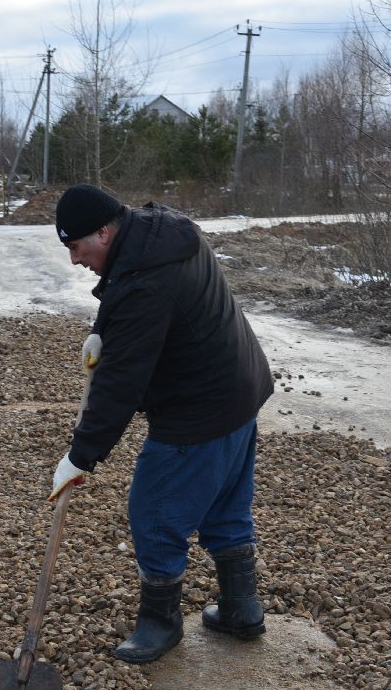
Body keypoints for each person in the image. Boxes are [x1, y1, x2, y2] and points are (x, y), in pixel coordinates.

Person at [49, 184, 275, 664]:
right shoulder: (160, 230)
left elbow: (120, 385)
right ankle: (241, 606)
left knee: (153, 512)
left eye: (75, 246)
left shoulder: (145, 282)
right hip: (241, 387)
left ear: (104, 231)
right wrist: (101, 330)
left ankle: (160, 622)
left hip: (200, 407)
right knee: (225, 504)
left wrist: (80, 456)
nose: (74, 260)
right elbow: (124, 286)